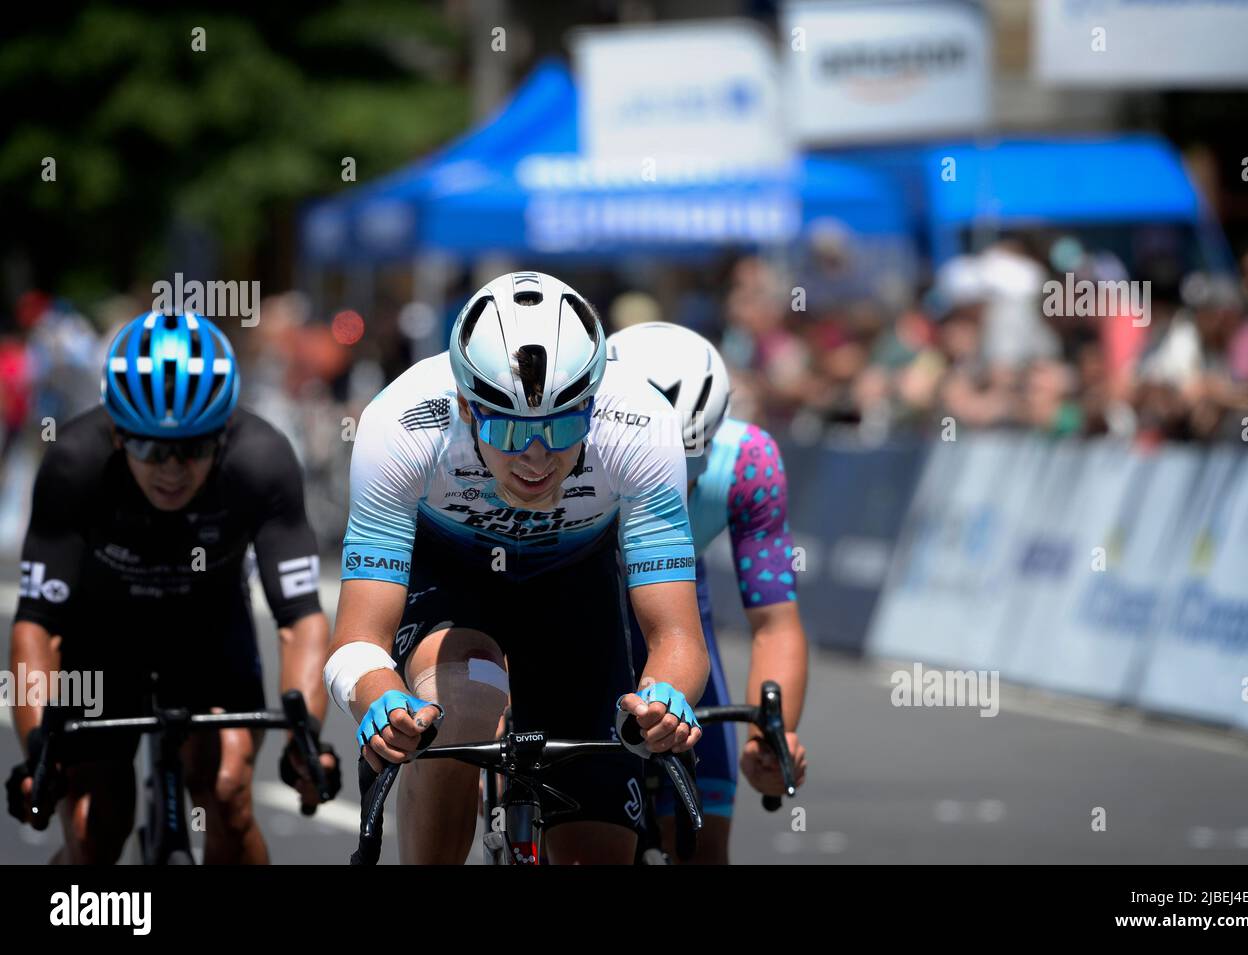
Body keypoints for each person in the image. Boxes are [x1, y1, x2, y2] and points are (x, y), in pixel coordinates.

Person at [326, 271, 710, 865]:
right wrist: (381, 700)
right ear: (463, 407)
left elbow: (677, 636)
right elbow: (356, 640)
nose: (536, 457)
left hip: (572, 590)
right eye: (508, 429)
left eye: (561, 427)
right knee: (466, 697)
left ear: (594, 404)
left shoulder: (641, 424)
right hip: (450, 581)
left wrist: (665, 703)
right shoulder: (399, 424)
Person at [6, 310, 336, 864]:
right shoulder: (73, 465)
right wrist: (38, 751)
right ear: (116, 432)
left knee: (228, 795)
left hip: (209, 637)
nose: (172, 470)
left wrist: (305, 737)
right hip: (103, 642)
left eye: (195, 448)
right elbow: (38, 626)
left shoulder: (262, 460)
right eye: (149, 448)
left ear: (224, 432)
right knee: (92, 832)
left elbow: (300, 617)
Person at [608, 321, 809, 863]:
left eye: (687, 466)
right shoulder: (557, 461)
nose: (670, 486)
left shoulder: (749, 463)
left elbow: (775, 623)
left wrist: (774, 735)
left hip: (678, 614)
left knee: (702, 847)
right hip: (577, 606)